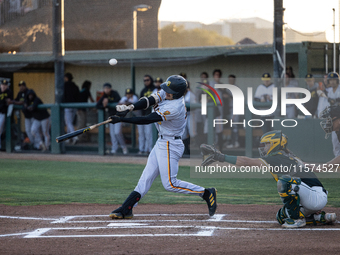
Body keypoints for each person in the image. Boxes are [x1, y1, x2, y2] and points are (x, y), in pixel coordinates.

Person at [108, 75, 217, 219]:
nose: (166, 91)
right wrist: (130, 107)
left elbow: (147, 119)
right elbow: (149, 100)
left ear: (177, 93)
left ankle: (206, 193)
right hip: (162, 142)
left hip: (171, 145)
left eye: (169, 90)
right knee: (145, 179)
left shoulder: (175, 107)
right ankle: (126, 208)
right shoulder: (167, 94)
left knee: (170, 184)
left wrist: (122, 119)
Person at [200, 130, 336, 228]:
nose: (263, 148)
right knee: (281, 216)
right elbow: (316, 169)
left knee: (285, 182)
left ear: (275, 144)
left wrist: (220, 157)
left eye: (266, 144)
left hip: (314, 196)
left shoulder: (277, 157)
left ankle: (298, 220)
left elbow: (246, 162)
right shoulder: (290, 157)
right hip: (313, 196)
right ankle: (320, 217)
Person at [96, 83, 127, 155]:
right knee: (112, 134)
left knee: (117, 133)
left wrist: (108, 102)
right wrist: (104, 105)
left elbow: (118, 102)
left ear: (110, 88)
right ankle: (114, 149)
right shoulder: (104, 96)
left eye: (107, 88)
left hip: (118, 116)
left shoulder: (115, 93)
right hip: (111, 117)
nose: (106, 90)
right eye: (105, 88)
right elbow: (97, 105)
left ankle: (124, 147)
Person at [11, 80, 35, 147]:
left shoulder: (29, 92)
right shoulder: (20, 93)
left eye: (22, 86)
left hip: (33, 115)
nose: (21, 87)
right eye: (20, 86)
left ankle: (36, 144)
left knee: (33, 130)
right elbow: (16, 100)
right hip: (27, 115)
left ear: (25, 86)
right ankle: (33, 143)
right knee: (27, 130)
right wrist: (12, 101)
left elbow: (23, 102)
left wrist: (13, 102)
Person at [138, 75, 155, 154]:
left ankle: (149, 149)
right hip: (143, 114)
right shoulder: (143, 90)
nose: (146, 81)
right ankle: (142, 149)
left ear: (151, 80)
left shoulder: (154, 90)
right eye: (144, 80)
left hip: (150, 114)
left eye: (147, 80)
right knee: (142, 134)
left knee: (149, 134)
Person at [63, 73, 80, 145]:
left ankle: (75, 137)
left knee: (68, 122)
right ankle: (68, 138)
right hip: (75, 106)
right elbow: (78, 96)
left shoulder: (64, 85)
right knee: (70, 123)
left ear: (66, 78)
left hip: (67, 105)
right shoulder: (75, 86)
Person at [209, 69, 224, 150]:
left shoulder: (221, 84)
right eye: (215, 75)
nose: (217, 77)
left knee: (219, 128)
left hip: (219, 107)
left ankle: (219, 148)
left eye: (218, 75)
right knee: (210, 127)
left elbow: (225, 92)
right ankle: (211, 147)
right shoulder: (210, 83)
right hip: (211, 107)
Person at [226, 74, 240, 149]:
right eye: (229, 80)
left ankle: (235, 142)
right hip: (230, 109)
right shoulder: (228, 88)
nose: (230, 81)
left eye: (232, 80)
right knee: (231, 126)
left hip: (235, 109)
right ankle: (232, 142)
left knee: (234, 126)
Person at [0, 79, 13, 151]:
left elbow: (10, 103)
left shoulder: (9, 92)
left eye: (5, 85)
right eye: (2, 85)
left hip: (2, 113)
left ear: (7, 86)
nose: (4, 86)